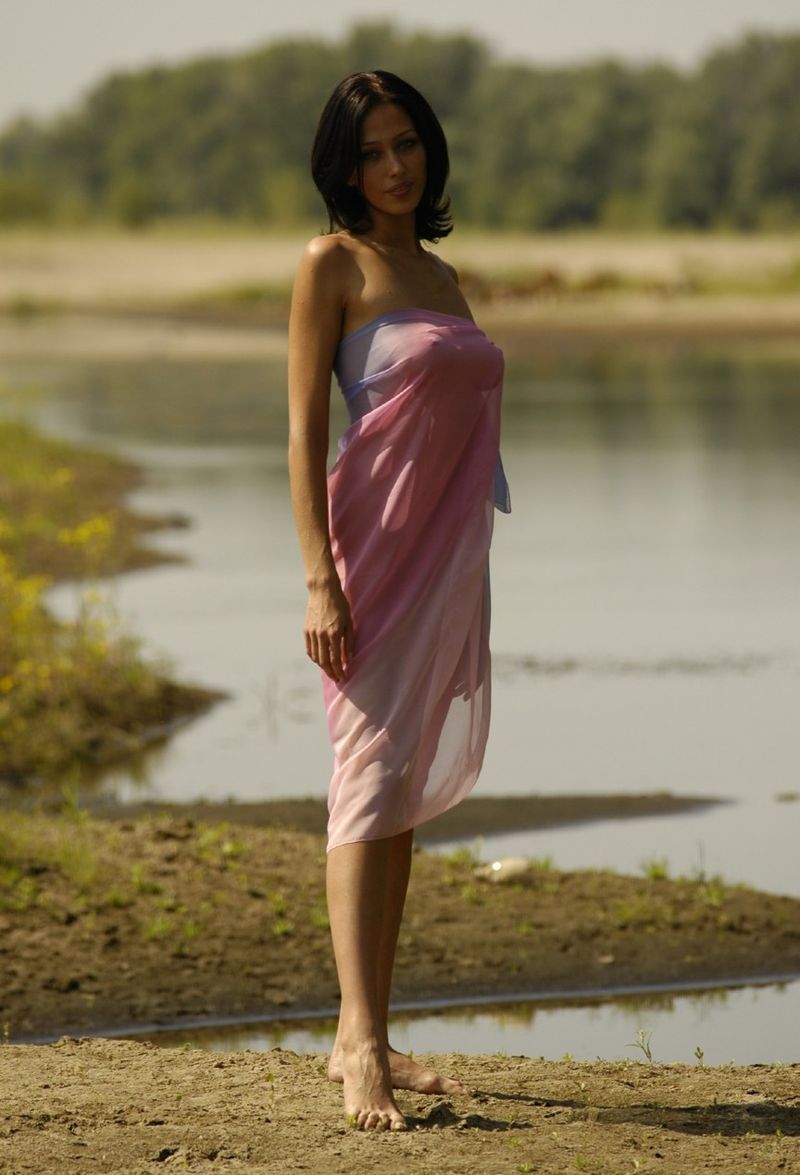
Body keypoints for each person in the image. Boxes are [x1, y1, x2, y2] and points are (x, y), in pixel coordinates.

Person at [287, 69, 510, 1132]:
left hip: (446, 555)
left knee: (400, 785)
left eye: (405, 143)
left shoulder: (443, 274)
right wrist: (319, 576)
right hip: (369, 552)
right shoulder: (330, 264)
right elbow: (297, 435)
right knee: (365, 779)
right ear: (342, 164)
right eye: (371, 151)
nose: (392, 166)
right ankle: (361, 1042)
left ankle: (358, 1027)